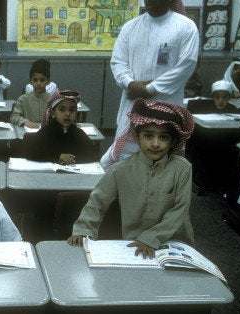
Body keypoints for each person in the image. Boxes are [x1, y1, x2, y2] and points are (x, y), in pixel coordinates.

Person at [68, 99, 195, 259]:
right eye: (148, 135)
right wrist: (84, 229)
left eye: (163, 137)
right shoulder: (120, 170)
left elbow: (180, 210)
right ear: (136, 136)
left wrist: (151, 239)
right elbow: (98, 201)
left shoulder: (182, 168)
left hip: (175, 243)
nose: (155, 143)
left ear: (173, 141)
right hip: (134, 245)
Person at [101, 0, 199, 168]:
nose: (150, 2)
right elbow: (118, 61)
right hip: (132, 106)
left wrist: (150, 89)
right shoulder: (130, 27)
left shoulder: (185, 27)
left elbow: (186, 66)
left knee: (161, 166)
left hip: (166, 108)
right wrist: (130, 83)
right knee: (121, 163)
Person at [25, 89, 93, 164]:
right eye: (62, 110)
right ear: (53, 113)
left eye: (71, 110)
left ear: (76, 114)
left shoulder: (78, 133)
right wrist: (58, 156)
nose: (67, 114)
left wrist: (70, 159)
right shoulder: (47, 131)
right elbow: (30, 152)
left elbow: (92, 154)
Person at [11, 58, 53, 128]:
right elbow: (14, 116)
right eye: (35, 80)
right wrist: (24, 121)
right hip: (29, 133)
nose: (38, 83)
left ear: (48, 81)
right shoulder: (23, 99)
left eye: (42, 80)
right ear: (30, 81)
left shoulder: (53, 100)